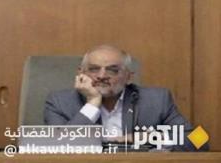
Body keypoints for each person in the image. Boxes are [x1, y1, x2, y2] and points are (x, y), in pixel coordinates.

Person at [44, 44, 204, 151]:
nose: (101, 76)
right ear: (81, 73)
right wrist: (92, 103)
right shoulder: (59, 102)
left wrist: (154, 137)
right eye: (93, 69)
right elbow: (58, 147)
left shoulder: (157, 99)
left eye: (112, 70)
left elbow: (200, 140)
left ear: (128, 77)